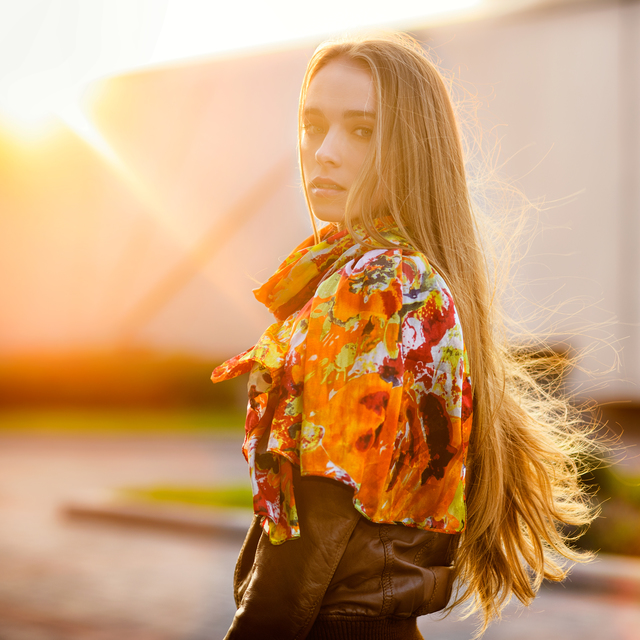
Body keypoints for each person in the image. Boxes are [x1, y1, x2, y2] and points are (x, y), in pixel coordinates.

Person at [212, 33, 599, 640]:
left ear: (411, 148)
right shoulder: (417, 275)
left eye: (361, 130)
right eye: (314, 125)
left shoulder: (377, 282)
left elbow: (320, 512)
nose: (325, 152)